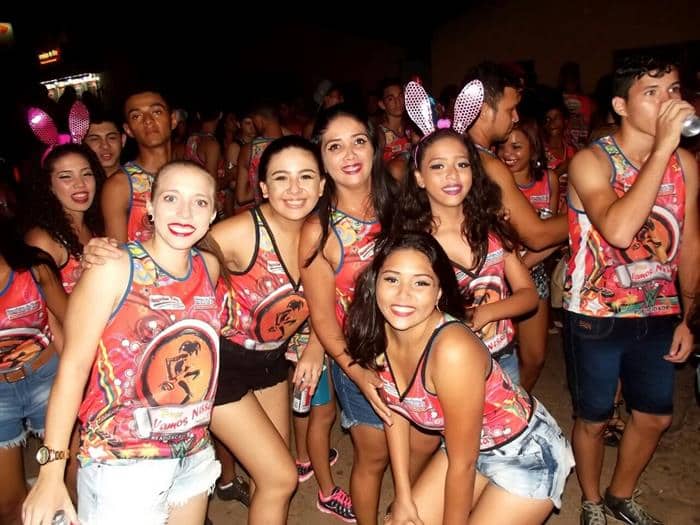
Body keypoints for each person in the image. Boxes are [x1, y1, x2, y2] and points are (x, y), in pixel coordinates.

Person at [22, 161, 224, 525]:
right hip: (122, 462)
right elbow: (73, 368)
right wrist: (52, 472)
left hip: (192, 451)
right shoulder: (113, 267)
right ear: (150, 206)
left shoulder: (207, 267)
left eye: (199, 202)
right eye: (171, 198)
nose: (184, 213)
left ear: (212, 214)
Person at [345, 232, 574, 525]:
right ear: (375, 282)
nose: (403, 295)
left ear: (439, 292)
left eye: (420, 283)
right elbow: (396, 413)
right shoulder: (377, 333)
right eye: (392, 279)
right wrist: (403, 495)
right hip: (467, 447)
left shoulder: (453, 350)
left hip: (525, 454)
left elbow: (462, 464)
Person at [564, 55, 699, 525]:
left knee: (655, 415)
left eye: (674, 90)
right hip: (596, 314)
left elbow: (690, 242)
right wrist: (662, 150)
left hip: (659, 311)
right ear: (621, 105)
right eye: (652, 93)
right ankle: (590, 500)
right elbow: (619, 231)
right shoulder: (591, 161)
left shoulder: (685, 164)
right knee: (595, 419)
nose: (668, 102)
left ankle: (620, 495)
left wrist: (688, 317)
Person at [300, 104, 418, 524]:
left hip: (414, 349)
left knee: (421, 441)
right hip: (360, 358)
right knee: (375, 455)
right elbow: (323, 319)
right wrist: (358, 373)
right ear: (322, 159)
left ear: (374, 146)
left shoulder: (401, 203)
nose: (349, 154)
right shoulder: (319, 230)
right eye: (335, 146)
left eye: (358, 141)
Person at [399, 80, 538, 384]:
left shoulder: (491, 228)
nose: (452, 175)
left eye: (462, 164)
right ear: (419, 177)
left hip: (503, 359)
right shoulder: (414, 245)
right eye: (438, 166)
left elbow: (528, 295)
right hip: (446, 367)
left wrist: (488, 312)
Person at [0, 220, 67, 525]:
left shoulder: (34, 268)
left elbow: (73, 320)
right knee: (8, 506)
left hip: (47, 377)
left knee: (71, 479)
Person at [465, 62, 568, 252]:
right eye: (510, 110)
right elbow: (537, 236)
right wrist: (587, 214)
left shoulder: (459, 147)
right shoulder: (488, 164)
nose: (516, 117)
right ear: (484, 110)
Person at [497, 119, 561, 391]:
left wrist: (524, 265)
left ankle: (516, 402)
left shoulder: (549, 180)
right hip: (496, 276)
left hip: (533, 273)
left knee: (534, 358)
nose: (507, 153)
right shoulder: (492, 182)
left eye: (516, 146)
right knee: (494, 354)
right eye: (502, 146)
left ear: (533, 148)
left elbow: (553, 235)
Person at [100, 89, 175, 242]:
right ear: (128, 130)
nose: (148, 120)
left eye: (156, 112)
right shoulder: (119, 186)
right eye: (136, 116)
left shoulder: (191, 173)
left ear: (173, 120)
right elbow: (117, 251)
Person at [84, 109, 126, 177]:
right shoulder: (79, 182)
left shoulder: (139, 179)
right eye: (95, 139)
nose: (105, 146)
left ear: (123, 140)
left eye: (111, 138)